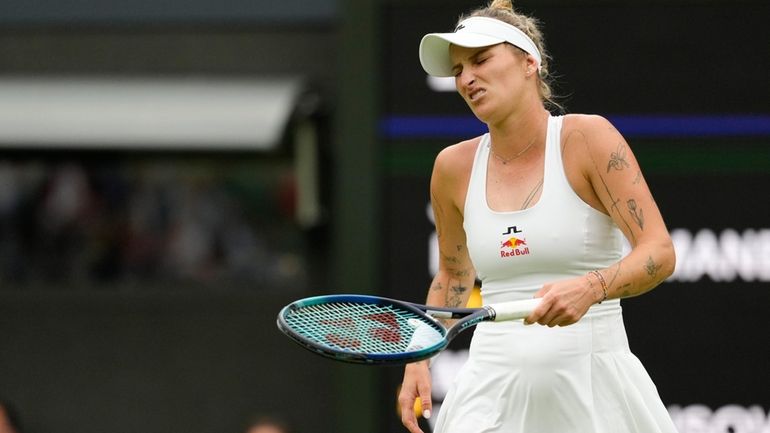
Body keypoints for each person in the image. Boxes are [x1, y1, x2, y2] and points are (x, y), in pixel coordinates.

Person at [398, 1, 678, 432]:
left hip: (593, 386)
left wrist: (591, 287)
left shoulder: (588, 138)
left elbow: (659, 252)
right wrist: (420, 354)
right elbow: (454, 276)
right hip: (489, 390)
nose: (467, 78)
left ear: (530, 62)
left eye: (481, 59)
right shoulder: (451, 167)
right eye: (457, 71)